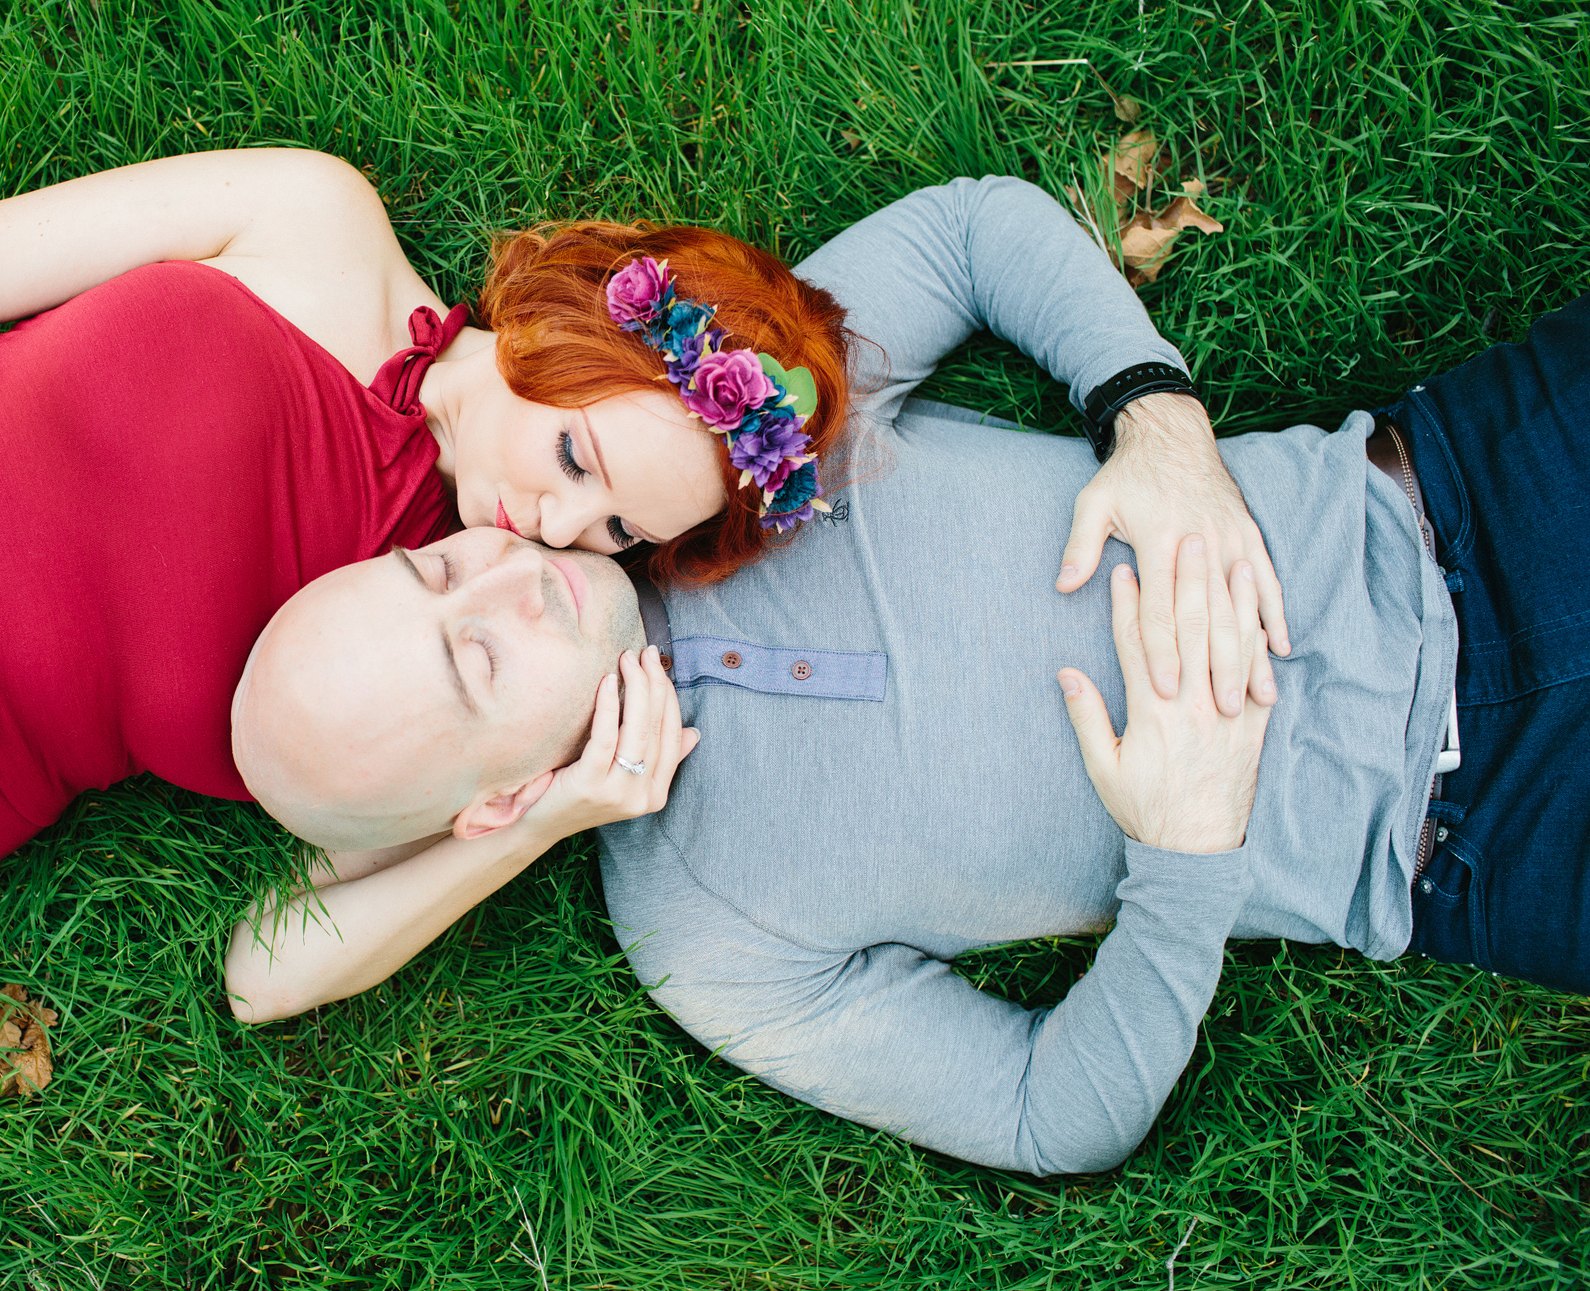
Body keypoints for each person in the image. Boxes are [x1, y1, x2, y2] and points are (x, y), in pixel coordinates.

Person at [227, 175, 1585, 1175]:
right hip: (1479, 837)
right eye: (476, 657)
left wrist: (1157, 426)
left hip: (1464, 495)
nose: (506, 567)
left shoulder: (722, 455)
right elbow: (1046, 1114)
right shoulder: (706, 937)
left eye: (434, 566)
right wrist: (1186, 862)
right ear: (490, 797)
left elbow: (974, 231)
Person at [0, 147, 856, 1067]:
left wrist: (543, 821)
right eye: (581, 464)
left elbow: (270, 962)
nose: (566, 533)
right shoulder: (312, 220)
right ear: (559, 326)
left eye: (624, 530)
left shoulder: (469, 643)